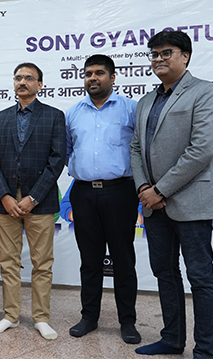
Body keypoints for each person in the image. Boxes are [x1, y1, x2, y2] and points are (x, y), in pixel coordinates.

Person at [130, 30, 213, 358]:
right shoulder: (145, 101)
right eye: (154, 54)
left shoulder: (206, 92)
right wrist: (144, 188)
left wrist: (160, 190)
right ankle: (172, 340)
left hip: (191, 203)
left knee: (200, 277)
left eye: (166, 52)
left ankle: (204, 350)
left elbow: (201, 150)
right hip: (153, 205)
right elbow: (136, 148)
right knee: (165, 273)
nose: (158, 59)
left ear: (185, 56)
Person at [0, 62, 66, 340]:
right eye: (18, 77)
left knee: (42, 263)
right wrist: (5, 196)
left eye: (29, 78)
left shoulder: (54, 116)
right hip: (5, 202)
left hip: (40, 201)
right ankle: (11, 316)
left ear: (39, 85)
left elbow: (57, 161)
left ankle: (41, 318)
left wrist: (33, 197)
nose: (22, 82)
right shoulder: (0, 118)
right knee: (8, 262)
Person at [65, 54, 140, 344]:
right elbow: (68, 150)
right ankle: (89, 317)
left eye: (99, 73)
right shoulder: (73, 113)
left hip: (120, 192)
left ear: (112, 77)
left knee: (123, 258)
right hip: (83, 193)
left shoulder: (130, 109)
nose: (92, 78)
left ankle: (128, 321)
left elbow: (141, 148)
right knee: (90, 259)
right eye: (88, 74)